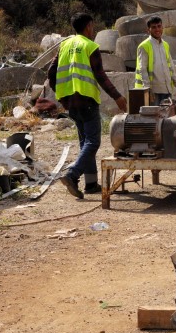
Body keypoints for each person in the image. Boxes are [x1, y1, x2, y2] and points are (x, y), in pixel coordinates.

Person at [47, 11, 127, 198]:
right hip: (87, 100)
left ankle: (90, 185)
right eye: (93, 26)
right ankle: (72, 174)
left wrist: (61, 94)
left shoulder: (64, 45)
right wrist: (117, 97)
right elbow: (100, 75)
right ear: (89, 26)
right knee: (93, 141)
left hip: (70, 101)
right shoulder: (90, 46)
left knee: (85, 142)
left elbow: (51, 72)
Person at [133, 16, 176, 105]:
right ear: (148, 30)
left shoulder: (165, 45)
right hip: (153, 92)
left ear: (162, 27)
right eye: (154, 27)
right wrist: (148, 90)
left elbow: (171, 66)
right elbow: (142, 69)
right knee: (154, 117)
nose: (157, 29)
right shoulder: (144, 46)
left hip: (167, 89)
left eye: (159, 26)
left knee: (167, 117)